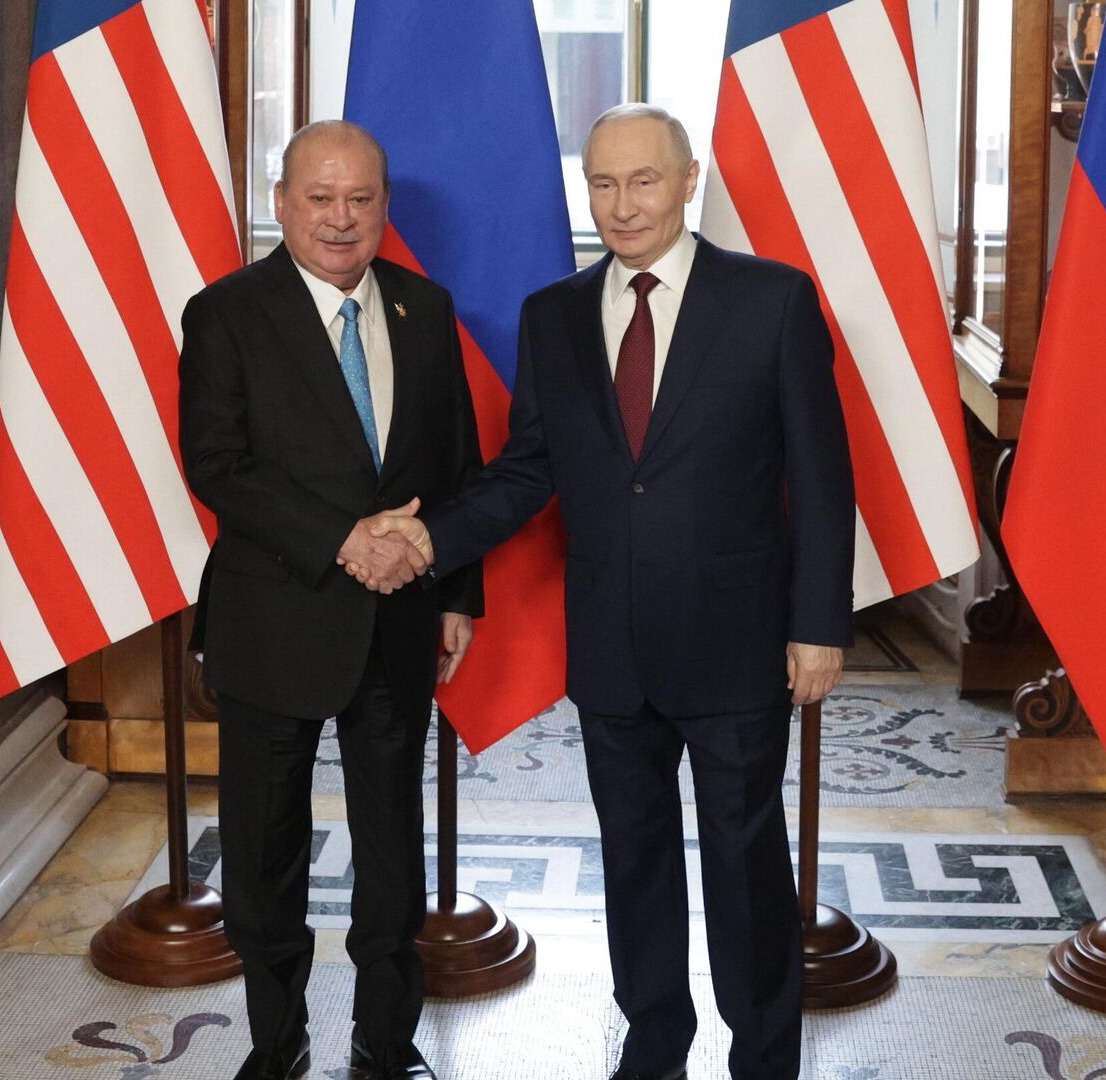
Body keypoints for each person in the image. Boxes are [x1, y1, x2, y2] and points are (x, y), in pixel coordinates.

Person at [359, 104, 853, 1080]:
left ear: (688, 180)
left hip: (738, 642)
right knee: (632, 860)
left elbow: (822, 478)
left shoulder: (773, 301)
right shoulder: (554, 316)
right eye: (602, 183)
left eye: (643, 181)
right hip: (612, 646)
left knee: (745, 865)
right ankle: (654, 1043)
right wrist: (429, 535)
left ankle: (763, 1057)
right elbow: (526, 472)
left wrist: (818, 626)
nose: (622, 205)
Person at [178, 119, 481, 1080]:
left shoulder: (426, 309)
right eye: (320, 198)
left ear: (385, 206)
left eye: (360, 199)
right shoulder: (226, 313)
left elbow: (457, 463)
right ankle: (279, 1043)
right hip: (273, 625)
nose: (341, 219)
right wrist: (346, 539)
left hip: (399, 624)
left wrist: (456, 593)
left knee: (392, 854)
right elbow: (217, 464)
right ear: (281, 203)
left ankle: (385, 1043)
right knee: (264, 857)